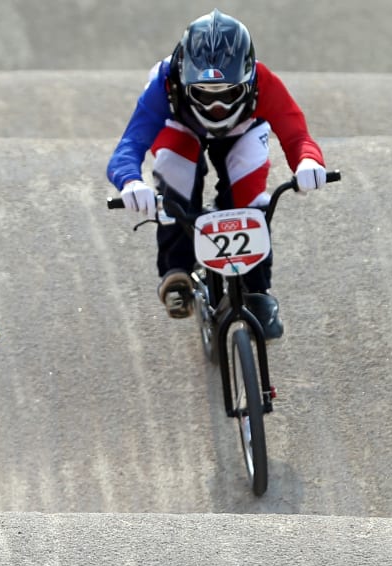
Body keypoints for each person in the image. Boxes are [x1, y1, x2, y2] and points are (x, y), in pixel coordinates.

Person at [106, 9, 328, 339]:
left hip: (244, 131)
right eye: (204, 94)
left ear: (249, 79)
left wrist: (308, 162)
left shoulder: (265, 81)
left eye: (228, 93)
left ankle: (257, 291)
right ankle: (176, 270)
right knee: (173, 173)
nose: (216, 107)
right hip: (180, 127)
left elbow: (296, 136)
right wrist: (131, 181)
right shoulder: (164, 83)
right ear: (183, 80)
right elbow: (129, 145)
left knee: (251, 195)